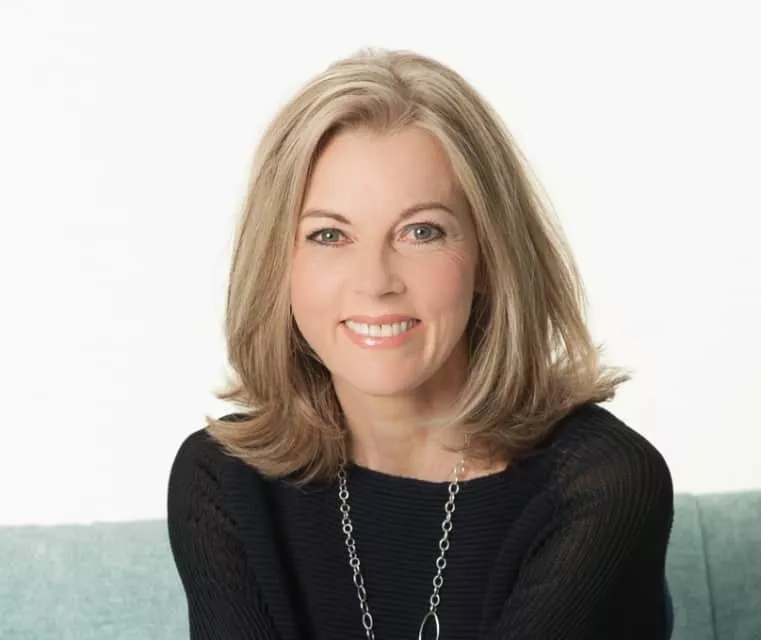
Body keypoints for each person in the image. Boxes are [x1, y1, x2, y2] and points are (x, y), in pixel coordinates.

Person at [167, 48, 674, 640]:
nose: (376, 281)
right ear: (278, 265)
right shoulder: (223, 482)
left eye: (421, 231)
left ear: (489, 257)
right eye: (329, 235)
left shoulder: (601, 485)